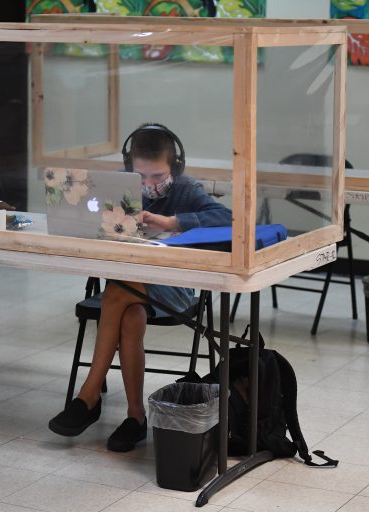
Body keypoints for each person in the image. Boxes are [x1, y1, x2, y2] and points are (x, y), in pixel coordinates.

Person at [48, 123, 232, 452]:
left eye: (157, 177)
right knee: (130, 313)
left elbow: (227, 219)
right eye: (141, 175)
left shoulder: (186, 188)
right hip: (128, 289)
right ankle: (135, 417)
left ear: (175, 166)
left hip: (173, 287)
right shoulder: (118, 184)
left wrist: (171, 221)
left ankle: (88, 395)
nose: (148, 184)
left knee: (118, 291)